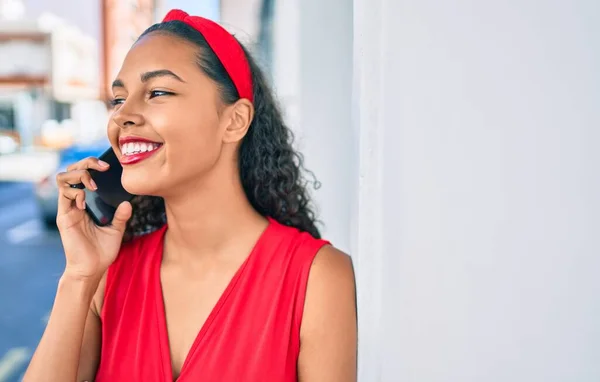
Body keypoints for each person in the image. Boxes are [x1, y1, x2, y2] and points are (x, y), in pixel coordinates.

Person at [23, 8, 357, 382]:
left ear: (235, 121)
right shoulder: (107, 276)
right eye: (118, 100)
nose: (123, 116)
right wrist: (79, 277)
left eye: (158, 92)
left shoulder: (318, 278)